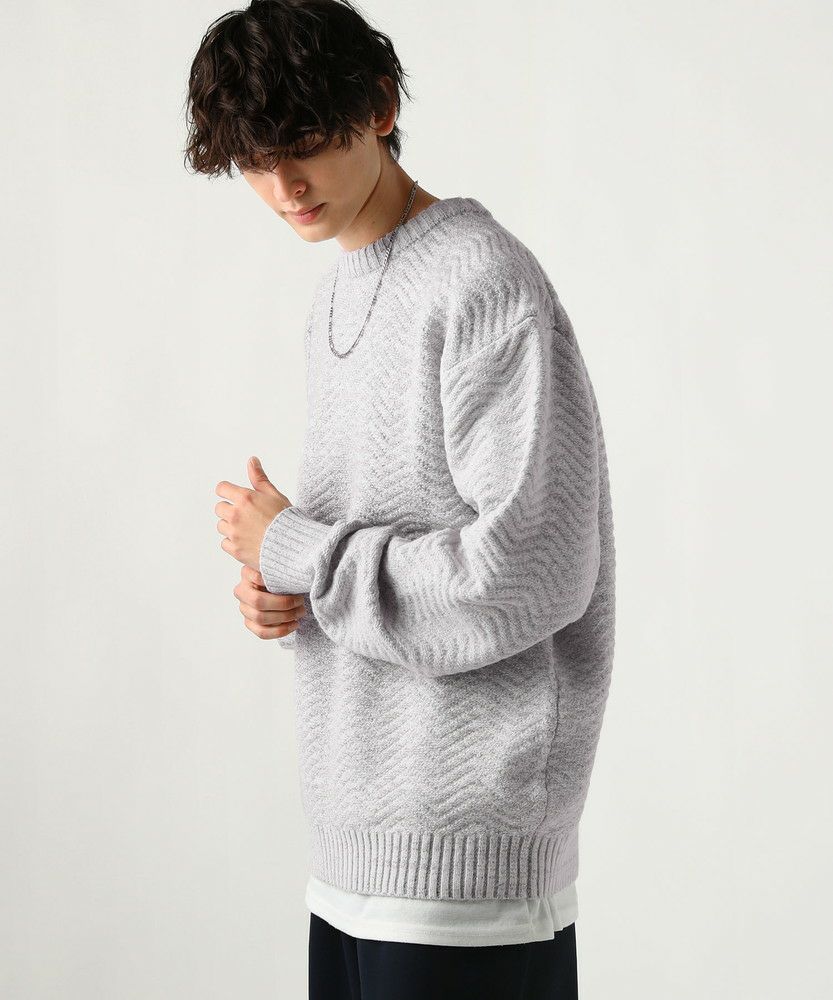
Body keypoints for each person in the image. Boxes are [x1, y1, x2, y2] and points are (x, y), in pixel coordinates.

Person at [184, 2, 616, 996]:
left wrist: (300, 550)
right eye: (254, 161)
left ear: (379, 107)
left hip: (465, 870)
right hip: (350, 856)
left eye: (303, 144)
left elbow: (531, 573)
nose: (283, 187)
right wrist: (287, 590)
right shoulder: (336, 292)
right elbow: (376, 542)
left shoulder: (480, 280)